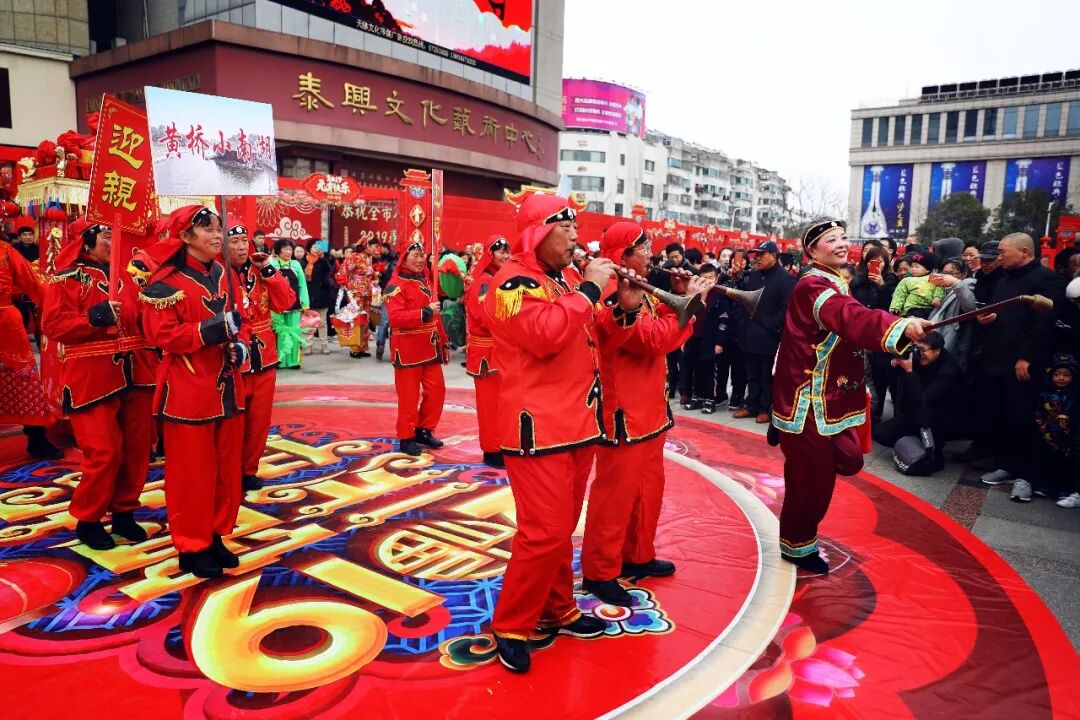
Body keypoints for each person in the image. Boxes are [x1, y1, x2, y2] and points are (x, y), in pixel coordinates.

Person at [486, 193, 618, 672]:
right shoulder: (512, 283)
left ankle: (558, 607)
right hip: (537, 428)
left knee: (561, 529)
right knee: (543, 533)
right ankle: (511, 623)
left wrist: (620, 304)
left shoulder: (563, 279)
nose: (576, 237)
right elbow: (544, 335)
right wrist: (590, 290)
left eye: (576, 227)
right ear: (538, 232)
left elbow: (590, 334)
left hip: (577, 422)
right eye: (566, 228)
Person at [772, 219, 931, 574]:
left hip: (832, 396)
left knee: (846, 460)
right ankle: (797, 545)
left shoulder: (835, 281)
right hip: (808, 399)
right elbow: (850, 317)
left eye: (843, 237)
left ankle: (802, 490)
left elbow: (853, 320)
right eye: (832, 240)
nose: (842, 244)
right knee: (811, 480)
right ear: (812, 251)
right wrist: (898, 325)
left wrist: (898, 328)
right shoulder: (813, 285)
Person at [582, 221, 702, 607]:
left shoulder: (641, 288)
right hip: (623, 414)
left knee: (649, 491)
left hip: (650, 411)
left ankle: (637, 554)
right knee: (614, 498)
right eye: (644, 248)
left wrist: (679, 296)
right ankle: (600, 571)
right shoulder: (610, 295)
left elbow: (663, 326)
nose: (652, 254)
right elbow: (651, 340)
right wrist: (687, 308)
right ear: (623, 255)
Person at [139, 205, 248, 579]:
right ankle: (191, 545)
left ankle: (215, 534)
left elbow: (243, 321)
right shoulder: (165, 283)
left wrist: (240, 346)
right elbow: (161, 334)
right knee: (192, 474)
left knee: (225, 470)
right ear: (185, 236)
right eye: (208, 229)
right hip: (188, 388)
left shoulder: (224, 273)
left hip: (226, 385)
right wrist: (213, 330)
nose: (218, 235)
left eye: (219, 228)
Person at [41, 220, 156, 549]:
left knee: (137, 449)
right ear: (87, 243)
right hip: (91, 377)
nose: (114, 240)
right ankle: (88, 518)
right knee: (104, 451)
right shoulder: (68, 278)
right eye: (107, 235)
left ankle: (124, 511)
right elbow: (52, 325)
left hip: (137, 371)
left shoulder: (134, 275)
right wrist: (92, 318)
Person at [975, 233, 1067, 502]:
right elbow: (995, 310)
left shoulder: (1048, 280)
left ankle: (1026, 475)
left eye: (1003, 252)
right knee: (1001, 414)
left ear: (1024, 252)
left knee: (1023, 417)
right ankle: (1006, 465)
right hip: (996, 358)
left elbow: (1044, 325)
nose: (999, 257)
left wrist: (1026, 357)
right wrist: (984, 319)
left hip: (1023, 363)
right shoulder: (1003, 279)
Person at [227, 225, 296, 492]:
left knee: (259, 421)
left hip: (264, 356)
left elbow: (285, 302)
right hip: (235, 357)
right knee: (234, 422)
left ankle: (248, 470)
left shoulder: (260, 270)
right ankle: (230, 471)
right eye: (234, 241)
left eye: (244, 241)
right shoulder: (218, 274)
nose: (242, 247)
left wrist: (269, 268)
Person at [384, 237, 448, 456]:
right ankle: (407, 435)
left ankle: (424, 429)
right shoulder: (395, 286)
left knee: (437, 391)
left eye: (422, 255)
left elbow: (437, 316)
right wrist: (425, 312)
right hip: (407, 347)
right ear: (404, 259)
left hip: (429, 345)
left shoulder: (427, 282)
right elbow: (396, 318)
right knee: (409, 397)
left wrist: (444, 340)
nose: (420, 260)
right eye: (415, 255)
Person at [0, 228, 60, 458]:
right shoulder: (6, 250)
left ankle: (36, 437)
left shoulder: (5, 251)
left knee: (24, 380)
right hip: (7, 323)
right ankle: (37, 439)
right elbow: (35, 282)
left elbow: (34, 282)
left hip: (7, 327)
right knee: (23, 380)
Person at [872, 331, 966, 472]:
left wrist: (910, 372)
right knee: (880, 433)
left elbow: (923, 399)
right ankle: (916, 440)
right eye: (916, 348)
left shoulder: (948, 370)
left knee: (925, 418)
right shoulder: (918, 358)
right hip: (916, 415)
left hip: (941, 419)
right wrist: (896, 364)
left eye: (922, 350)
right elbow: (893, 379)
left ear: (937, 350)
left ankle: (932, 447)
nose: (918, 353)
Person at [734, 240, 795, 424]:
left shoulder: (786, 279)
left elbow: (786, 308)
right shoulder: (754, 275)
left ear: (774, 255)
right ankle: (751, 405)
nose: (757, 258)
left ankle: (765, 408)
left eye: (762, 254)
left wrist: (773, 327)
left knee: (767, 375)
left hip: (770, 336)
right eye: (756, 255)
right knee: (751, 373)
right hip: (750, 332)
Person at [464, 235, 510, 468]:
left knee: (503, 404)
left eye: (507, 251)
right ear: (490, 254)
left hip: (500, 350)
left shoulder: (499, 279)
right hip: (487, 352)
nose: (506, 256)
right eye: (501, 251)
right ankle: (492, 450)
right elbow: (485, 317)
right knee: (490, 405)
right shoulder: (484, 282)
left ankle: (501, 444)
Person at [851, 244, 899, 419]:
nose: (876, 264)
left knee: (878, 375)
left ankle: (875, 415)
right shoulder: (857, 280)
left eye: (880, 261)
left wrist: (882, 285)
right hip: (859, 331)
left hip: (880, 333)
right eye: (873, 260)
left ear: (886, 262)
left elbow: (893, 306)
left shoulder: (891, 280)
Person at [1028, 354, 1079, 505]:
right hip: (1048, 433)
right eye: (1057, 374)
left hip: (1068, 435)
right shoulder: (1045, 393)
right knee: (1047, 458)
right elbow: (1039, 411)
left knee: (1066, 462)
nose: (1061, 378)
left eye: (1066, 375)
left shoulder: (1074, 395)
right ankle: (1044, 485)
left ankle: (1063, 488)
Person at [927, 258, 977, 368]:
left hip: (954, 340)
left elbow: (970, 308)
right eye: (944, 273)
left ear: (963, 274)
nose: (947, 277)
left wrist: (956, 283)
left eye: (952, 273)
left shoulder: (967, 285)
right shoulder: (938, 289)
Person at [335, 239, 379, 358]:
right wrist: (348, 285)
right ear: (366, 246)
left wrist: (375, 276)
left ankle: (362, 347)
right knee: (356, 318)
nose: (375, 249)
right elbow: (343, 272)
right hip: (356, 292)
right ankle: (354, 348)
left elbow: (369, 273)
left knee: (365, 318)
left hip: (367, 292)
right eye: (374, 246)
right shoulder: (353, 256)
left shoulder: (368, 258)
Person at [269, 239, 308, 368]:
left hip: (294, 305)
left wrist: (305, 303)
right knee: (280, 332)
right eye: (285, 249)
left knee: (294, 331)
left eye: (290, 249)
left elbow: (302, 284)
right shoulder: (272, 264)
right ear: (278, 251)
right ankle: (280, 360)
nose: (288, 252)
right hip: (277, 306)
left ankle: (294, 361)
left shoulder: (296, 264)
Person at [303, 240, 336, 355]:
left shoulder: (323, 260)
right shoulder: (303, 261)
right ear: (309, 248)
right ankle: (308, 346)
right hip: (308, 296)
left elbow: (329, 270)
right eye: (313, 247)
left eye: (318, 247)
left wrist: (323, 258)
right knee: (309, 323)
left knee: (322, 323)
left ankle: (324, 345)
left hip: (322, 295)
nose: (316, 249)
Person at [889, 251, 944, 318]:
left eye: (917, 267)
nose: (913, 269)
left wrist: (937, 297)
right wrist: (895, 306)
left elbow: (940, 287)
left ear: (927, 270)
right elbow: (899, 294)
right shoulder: (906, 280)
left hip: (930, 308)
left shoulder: (934, 278)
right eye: (912, 266)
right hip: (912, 308)